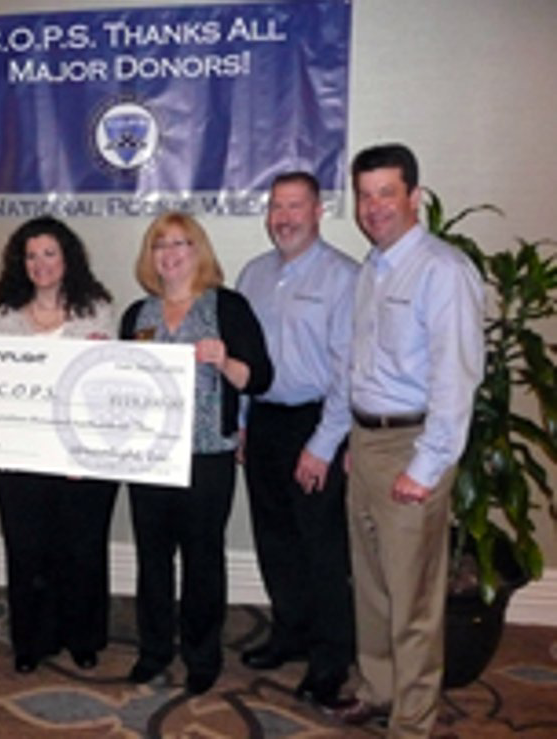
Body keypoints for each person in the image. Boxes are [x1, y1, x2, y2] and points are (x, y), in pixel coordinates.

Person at [332, 144, 484, 736]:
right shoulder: (372, 268)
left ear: (414, 197)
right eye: (364, 196)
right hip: (367, 443)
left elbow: (456, 377)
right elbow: (365, 365)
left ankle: (414, 719)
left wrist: (425, 467)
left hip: (414, 445)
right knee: (371, 585)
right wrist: (355, 439)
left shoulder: (442, 271)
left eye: (386, 194)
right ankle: (377, 686)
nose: (373, 207)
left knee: (414, 598)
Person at [120, 212, 273, 695]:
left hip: (207, 455)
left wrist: (223, 359)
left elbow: (261, 378)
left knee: (203, 558)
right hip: (149, 456)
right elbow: (121, 386)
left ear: (198, 250)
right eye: (159, 245)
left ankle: (202, 656)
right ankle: (155, 649)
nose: (170, 253)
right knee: (153, 557)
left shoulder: (227, 306)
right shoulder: (136, 315)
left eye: (180, 243)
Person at [235, 172, 358, 706]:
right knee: (276, 540)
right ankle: (290, 632)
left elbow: (349, 371)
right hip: (264, 420)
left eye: (294, 206)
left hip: (317, 422)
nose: (283, 217)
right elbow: (245, 359)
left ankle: (331, 659)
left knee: (322, 548)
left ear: (318, 211)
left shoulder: (344, 278)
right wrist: (240, 422)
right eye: (275, 207)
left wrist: (324, 444)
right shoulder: (253, 275)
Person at [0, 215, 118, 674]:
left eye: (49, 253)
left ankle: (82, 637)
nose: (40, 264)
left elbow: (106, 386)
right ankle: (31, 641)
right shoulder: (5, 315)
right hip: (23, 457)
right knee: (28, 550)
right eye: (30, 255)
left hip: (82, 455)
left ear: (67, 258)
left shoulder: (97, 310)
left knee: (81, 549)